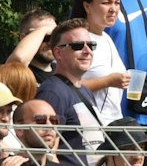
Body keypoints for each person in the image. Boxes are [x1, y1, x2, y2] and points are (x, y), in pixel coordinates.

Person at [37, 21, 108, 151]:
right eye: (78, 46)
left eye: (91, 45)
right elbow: (47, 148)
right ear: (58, 53)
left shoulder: (85, 91)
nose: (87, 51)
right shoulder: (52, 92)